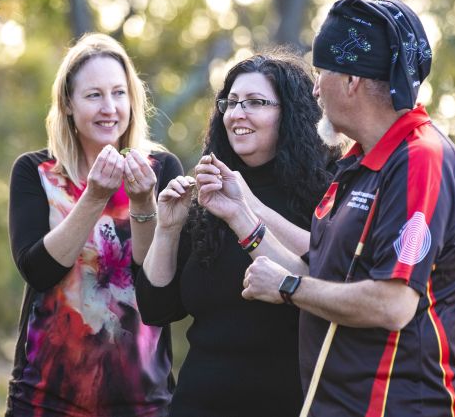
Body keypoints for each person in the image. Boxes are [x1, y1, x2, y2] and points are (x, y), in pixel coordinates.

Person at [238, 0, 455, 416]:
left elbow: (392, 305)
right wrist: (239, 211)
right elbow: (323, 275)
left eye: (321, 72)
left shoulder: (420, 158)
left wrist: (286, 288)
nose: (314, 89)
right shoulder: (360, 160)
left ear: (350, 79)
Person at [135, 51, 339, 417]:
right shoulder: (211, 194)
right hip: (199, 404)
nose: (237, 113)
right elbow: (156, 309)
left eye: (256, 102)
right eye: (230, 102)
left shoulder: (329, 188)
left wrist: (250, 209)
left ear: (290, 113)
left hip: (289, 403)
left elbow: (329, 267)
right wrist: (167, 228)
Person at [6, 33, 183, 417]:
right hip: (44, 400)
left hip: (144, 402)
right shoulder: (35, 172)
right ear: (68, 104)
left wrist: (141, 201)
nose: (110, 108)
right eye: (94, 95)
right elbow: (38, 270)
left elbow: (155, 282)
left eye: (119, 93)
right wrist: (94, 197)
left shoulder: (160, 169)